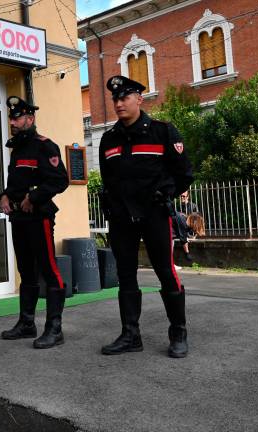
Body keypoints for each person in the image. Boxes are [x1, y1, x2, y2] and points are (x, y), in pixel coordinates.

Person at [98, 76, 194, 358]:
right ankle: (130, 335)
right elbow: (108, 180)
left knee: (165, 271)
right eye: (115, 99)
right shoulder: (108, 139)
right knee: (126, 275)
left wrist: (167, 194)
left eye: (124, 97)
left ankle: (178, 332)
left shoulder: (162, 132)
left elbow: (184, 173)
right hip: (122, 218)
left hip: (154, 214)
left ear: (139, 99)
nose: (118, 103)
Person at [0, 96, 69, 349]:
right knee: (26, 271)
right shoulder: (16, 149)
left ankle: (55, 329)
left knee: (49, 271)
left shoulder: (45, 146)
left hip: (38, 217)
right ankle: (27, 324)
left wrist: (34, 196)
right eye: (11, 118)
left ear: (30, 118)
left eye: (17, 118)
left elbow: (60, 180)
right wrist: (5, 194)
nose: (12, 122)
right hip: (18, 217)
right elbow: (15, 183)